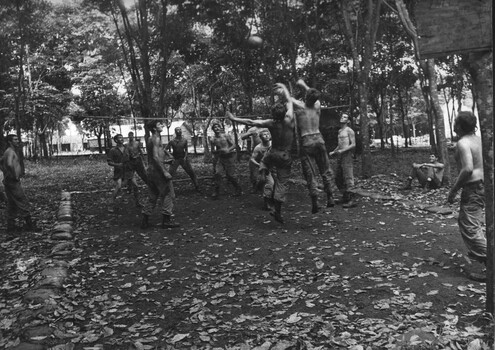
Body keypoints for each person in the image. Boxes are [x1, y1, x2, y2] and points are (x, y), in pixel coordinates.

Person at [228, 82, 294, 223]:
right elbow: (290, 102)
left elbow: (251, 121)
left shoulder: (271, 123)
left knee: (265, 160)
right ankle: (277, 209)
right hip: (284, 155)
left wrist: (234, 118)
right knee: (281, 183)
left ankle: (263, 172)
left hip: (272, 153)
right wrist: (285, 89)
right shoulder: (289, 120)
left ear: (273, 114)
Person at [447, 111, 485, 281]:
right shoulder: (480, 139)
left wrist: (454, 190)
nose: (454, 126)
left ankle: (491, 264)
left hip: (474, 187)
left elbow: (468, 169)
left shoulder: (462, 143)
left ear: (460, 126)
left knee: (469, 226)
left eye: (456, 123)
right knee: (474, 224)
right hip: (486, 185)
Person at [291, 79, 336, 213]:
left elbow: (287, 97)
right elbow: (312, 94)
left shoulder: (299, 106)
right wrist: (304, 85)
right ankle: (330, 197)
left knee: (310, 173)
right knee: (326, 169)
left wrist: (293, 84)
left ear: (305, 97)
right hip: (318, 138)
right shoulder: (317, 106)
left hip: (307, 140)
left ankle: (315, 201)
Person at [140, 120, 180, 229]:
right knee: (168, 194)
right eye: (159, 124)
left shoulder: (150, 139)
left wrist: (166, 162)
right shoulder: (156, 139)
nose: (162, 125)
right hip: (157, 172)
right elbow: (155, 157)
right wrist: (164, 171)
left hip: (151, 170)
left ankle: (145, 220)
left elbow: (154, 158)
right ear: (154, 128)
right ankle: (166, 221)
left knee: (153, 196)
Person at [0, 134, 39, 235]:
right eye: (15, 139)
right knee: (22, 201)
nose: (18, 141)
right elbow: (8, 163)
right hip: (13, 181)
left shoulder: (9, 152)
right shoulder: (10, 151)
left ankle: (11, 227)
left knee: (12, 204)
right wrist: (14, 175)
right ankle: (29, 225)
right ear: (10, 141)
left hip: (10, 181)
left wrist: (5, 172)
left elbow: (2, 162)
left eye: (17, 139)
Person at [329, 113, 356, 208]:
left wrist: (342, 151)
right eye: (342, 116)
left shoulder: (350, 131)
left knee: (348, 177)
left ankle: (352, 200)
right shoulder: (340, 131)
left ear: (348, 121)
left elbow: (353, 144)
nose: (342, 117)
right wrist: (334, 151)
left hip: (347, 156)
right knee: (338, 177)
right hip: (340, 156)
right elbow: (340, 144)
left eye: (345, 117)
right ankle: (345, 197)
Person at [210, 121, 242, 199]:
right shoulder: (212, 139)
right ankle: (216, 191)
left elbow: (234, 145)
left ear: (220, 128)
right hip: (221, 158)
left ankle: (238, 188)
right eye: (215, 127)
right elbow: (213, 150)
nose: (217, 128)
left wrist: (228, 149)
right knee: (217, 173)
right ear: (213, 129)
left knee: (230, 175)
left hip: (229, 158)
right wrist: (218, 152)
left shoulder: (226, 136)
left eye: (218, 127)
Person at [166, 127, 200, 191]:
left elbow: (186, 150)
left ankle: (197, 186)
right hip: (175, 159)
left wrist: (185, 157)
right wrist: (170, 155)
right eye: (177, 130)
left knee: (191, 173)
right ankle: (167, 189)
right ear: (175, 132)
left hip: (183, 158)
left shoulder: (184, 140)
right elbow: (165, 149)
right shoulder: (172, 141)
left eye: (180, 130)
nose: (179, 131)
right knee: (169, 174)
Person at [249, 129, 274, 210]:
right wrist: (259, 165)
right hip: (265, 167)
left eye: (268, 134)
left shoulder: (274, 144)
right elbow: (252, 158)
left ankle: (260, 186)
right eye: (264, 134)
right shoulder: (258, 147)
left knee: (278, 184)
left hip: (276, 166)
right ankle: (266, 202)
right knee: (270, 183)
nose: (266, 135)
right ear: (260, 137)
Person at [242, 126, 270, 192]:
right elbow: (243, 137)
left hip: (266, 152)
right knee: (253, 172)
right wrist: (250, 133)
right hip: (255, 151)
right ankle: (254, 186)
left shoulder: (267, 128)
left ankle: (264, 186)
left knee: (266, 172)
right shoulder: (252, 129)